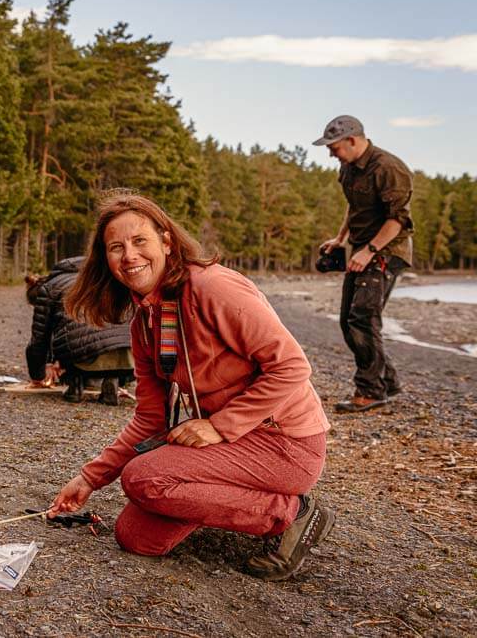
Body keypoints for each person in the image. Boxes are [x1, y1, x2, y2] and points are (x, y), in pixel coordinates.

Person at [49, 194, 333, 581]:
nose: (129, 255)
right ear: (106, 260)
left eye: (140, 241)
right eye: (116, 247)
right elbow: (150, 416)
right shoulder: (145, 324)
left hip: (283, 442)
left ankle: (291, 513)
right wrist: (90, 477)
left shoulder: (213, 287)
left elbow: (292, 366)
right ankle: (223, 495)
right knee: (135, 537)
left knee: (143, 478)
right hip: (232, 442)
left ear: (166, 242)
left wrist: (218, 426)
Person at [314, 115, 414, 413]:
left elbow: (398, 220)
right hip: (361, 249)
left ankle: (370, 390)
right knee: (348, 320)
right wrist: (340, 238)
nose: (331, 153)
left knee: (363, 318)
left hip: (386, 250)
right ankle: (387, 381)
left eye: (334, 147)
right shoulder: (348, 167)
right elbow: (354, 205)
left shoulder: (389, 168)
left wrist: (369, 251)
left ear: (353, 140)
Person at [25, 257, 134, 404]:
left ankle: (75, 383)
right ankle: (113, 380)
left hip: (80, 356)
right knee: (107, 340)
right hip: (128, 356)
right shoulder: (110, 274)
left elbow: (40, 339)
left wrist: (38, 375)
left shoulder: (51, 286)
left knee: (72, 338)